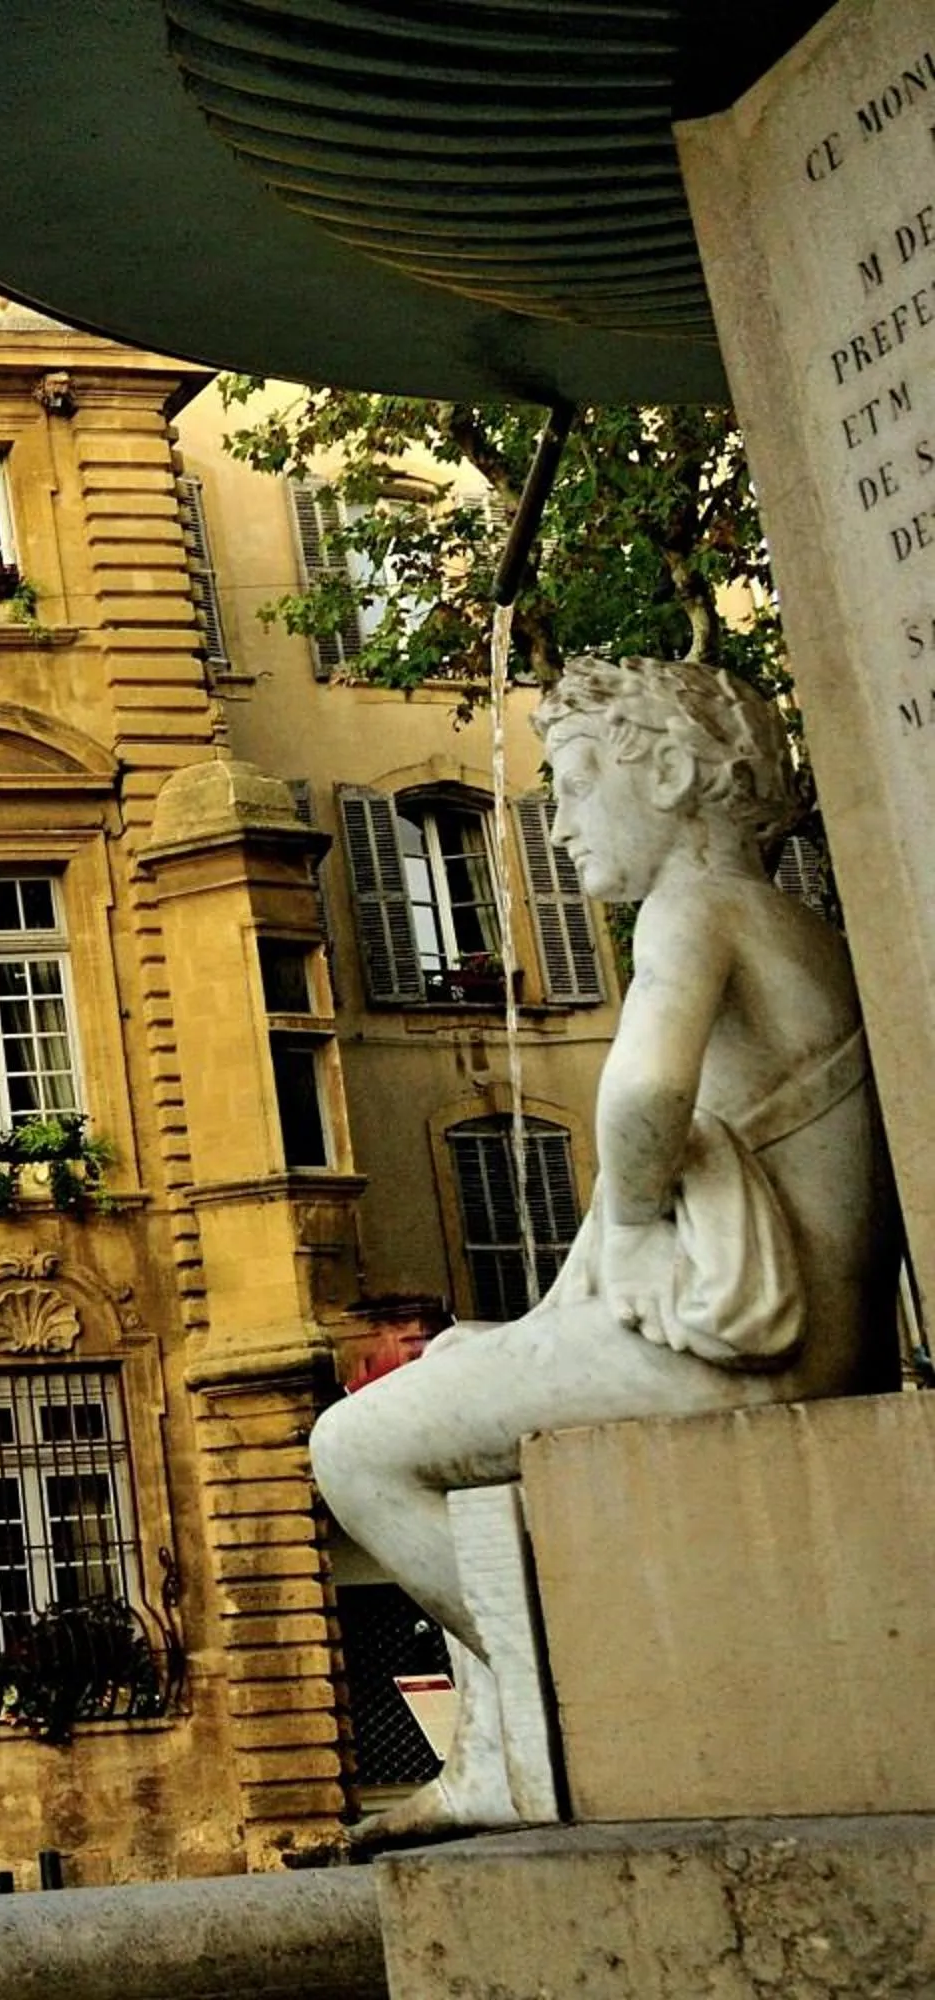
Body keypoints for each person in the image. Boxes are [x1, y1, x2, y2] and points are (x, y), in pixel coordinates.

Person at [309, 655, 898, 1845]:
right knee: (467, 1379)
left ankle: (578, 1696)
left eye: (575, 784)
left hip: (741, 1350)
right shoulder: (808, 927)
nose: (560, 820)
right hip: (816, 1333)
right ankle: (500, 1749)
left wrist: (626, 1223)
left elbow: (642, 1094)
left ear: (671, 774)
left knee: (357, 1444)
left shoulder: (700, 907)